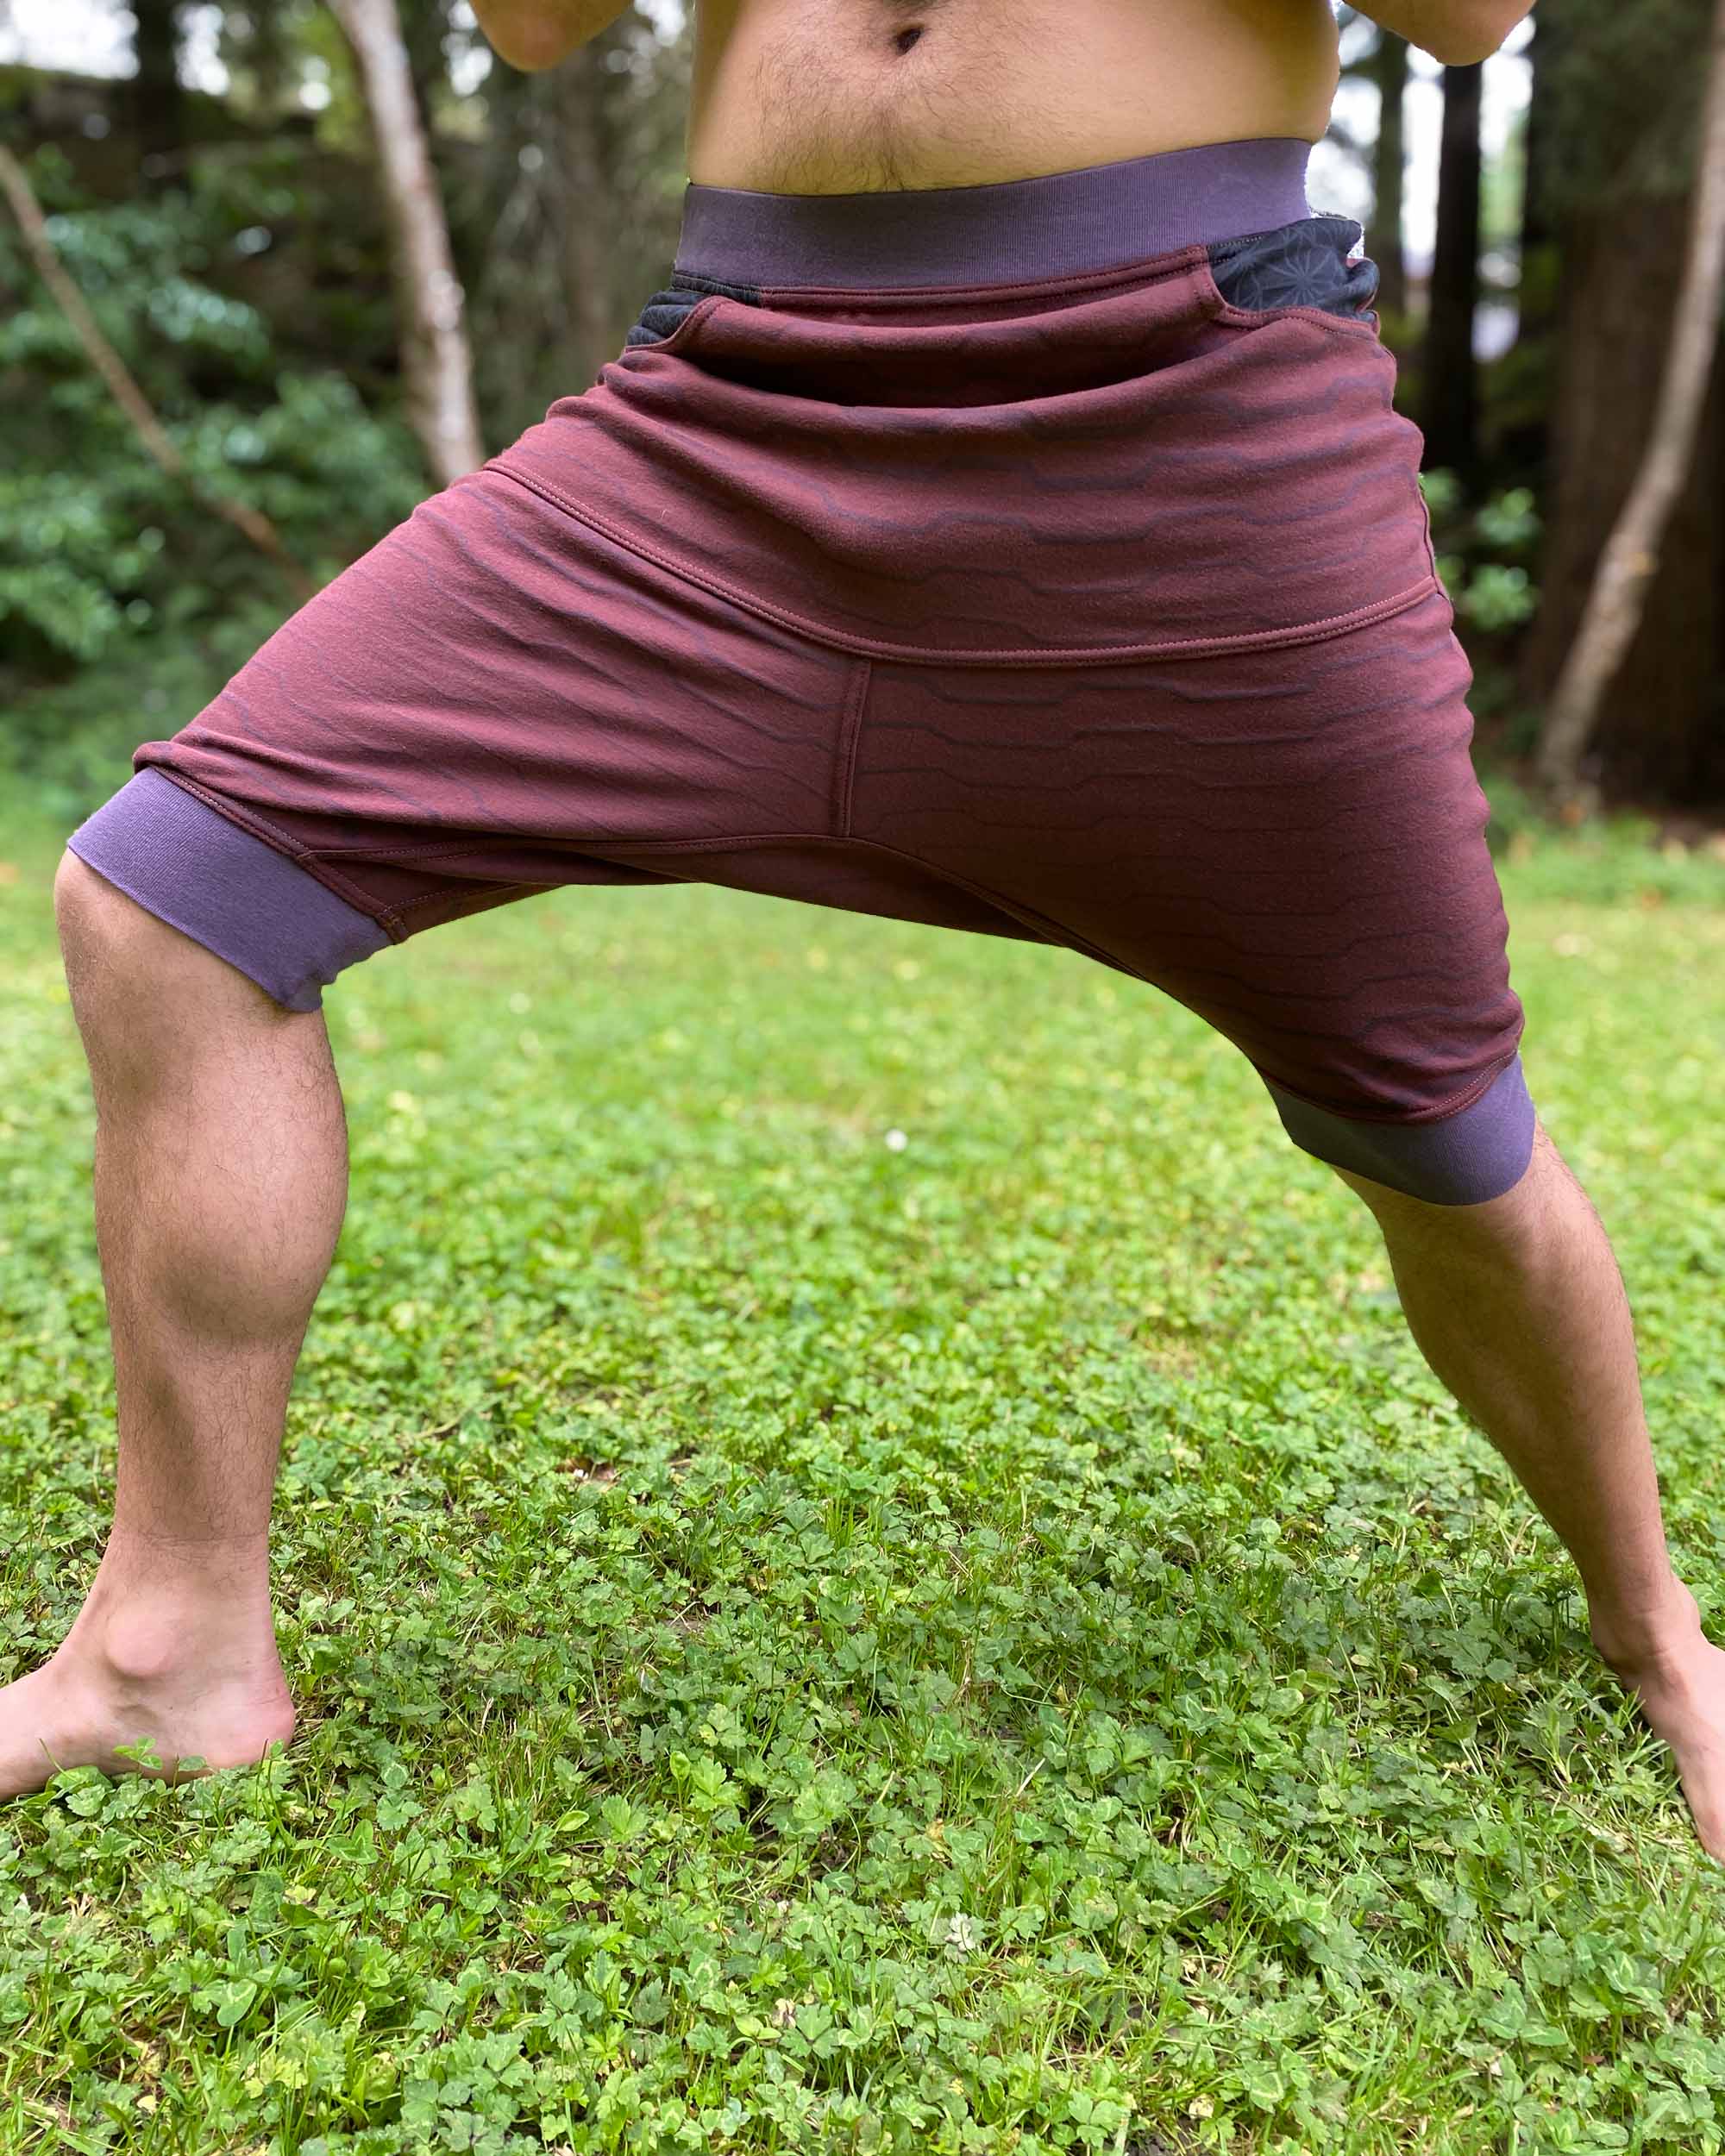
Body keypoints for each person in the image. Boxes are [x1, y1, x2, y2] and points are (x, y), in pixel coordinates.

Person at [26, 0, 1725, 1861]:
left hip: (1177, 416)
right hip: (727, 418)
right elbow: (528, 30)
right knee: (174, 893)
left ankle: (1658, 1630)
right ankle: (174, 1648)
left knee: (1433, 1121)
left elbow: (1468, 21)